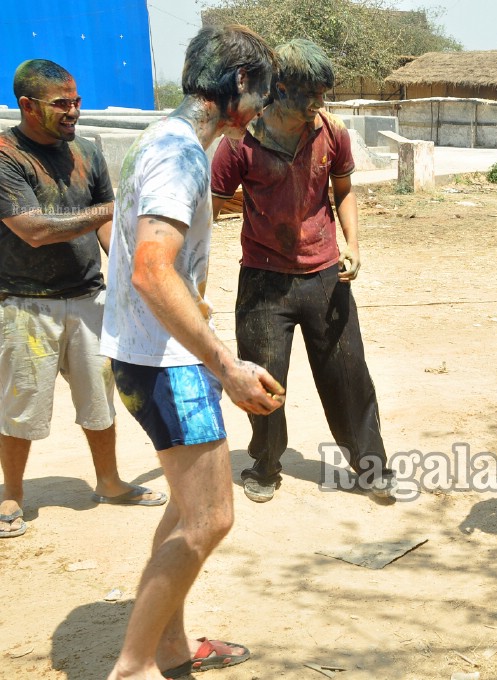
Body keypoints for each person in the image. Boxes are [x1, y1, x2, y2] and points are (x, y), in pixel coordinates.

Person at [100, 26, 283, 679]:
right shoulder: (180, 155)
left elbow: (136, 255)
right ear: (239, 83)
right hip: (164, 364)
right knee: (209, 518)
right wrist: (224, 364)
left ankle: (170, 649)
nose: (261, 110)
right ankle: (133, 667)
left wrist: (200, 329)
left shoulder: (155, 138)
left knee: (185, 510)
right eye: (261, 92)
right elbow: (152, 269)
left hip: (141, 354)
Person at [210, 38, 395, 504]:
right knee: (264, 380)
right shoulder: (240, 142)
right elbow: (211, 207)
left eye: (323, 94)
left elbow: (344, 191)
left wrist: (353, 245)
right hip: (263, 282)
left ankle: (369, 466)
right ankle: (266, 464)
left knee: (349, 375)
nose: (318, 104)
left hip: (326, 277)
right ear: (280, 87)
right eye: (310, 94)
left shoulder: (332, 132)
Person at [0, 59, 167, 540]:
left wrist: (130, 270)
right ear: (28, 105)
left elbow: (104, 224)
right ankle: (12, 492)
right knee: (22, 404)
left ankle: (109, 482)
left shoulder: (88, 152)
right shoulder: (7, 155)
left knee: (101, 399)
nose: (74, 110)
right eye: (62, 103)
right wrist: (113, 208)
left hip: (89, 297)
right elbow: (31, 230)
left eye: (76, 100)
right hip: (26, 304)